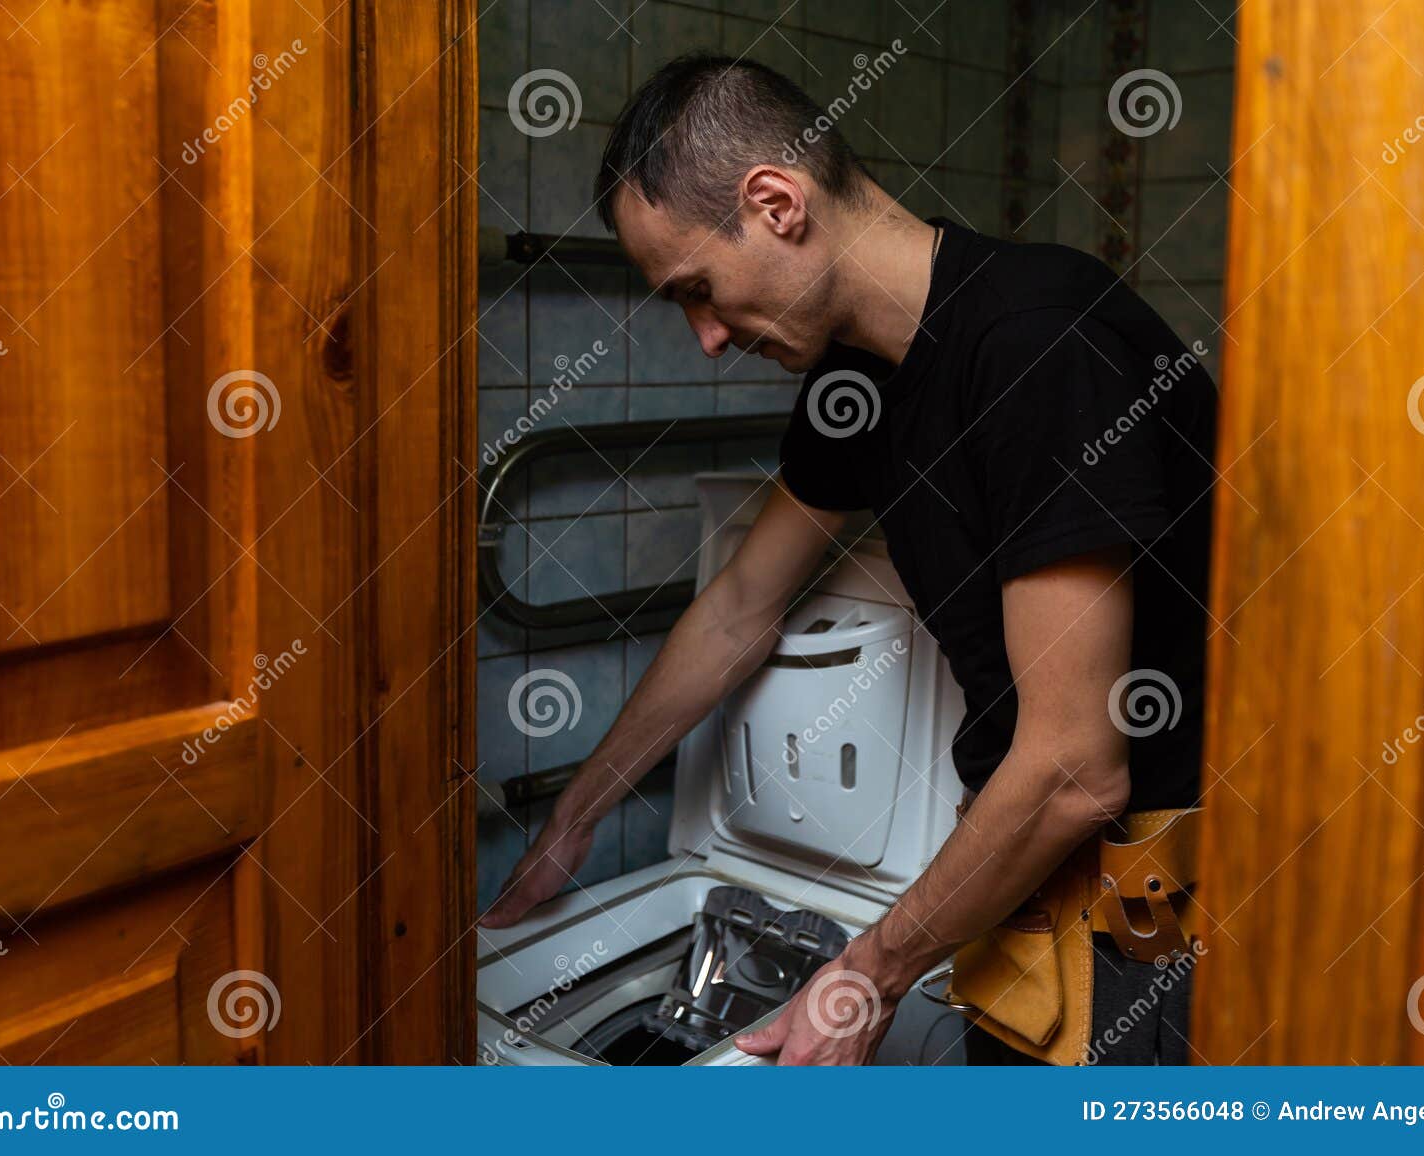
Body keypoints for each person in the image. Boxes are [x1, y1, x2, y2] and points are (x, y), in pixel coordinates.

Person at [479, 54, 1216, 1067]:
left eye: (697, 289)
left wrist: (868, 971)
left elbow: (1074, 768)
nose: (705, 337)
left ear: (776, 203)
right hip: (1026, 885)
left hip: (1156, 908)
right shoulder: (858, 378)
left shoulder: (1037, 342)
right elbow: (739, 606)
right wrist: (573, 819)